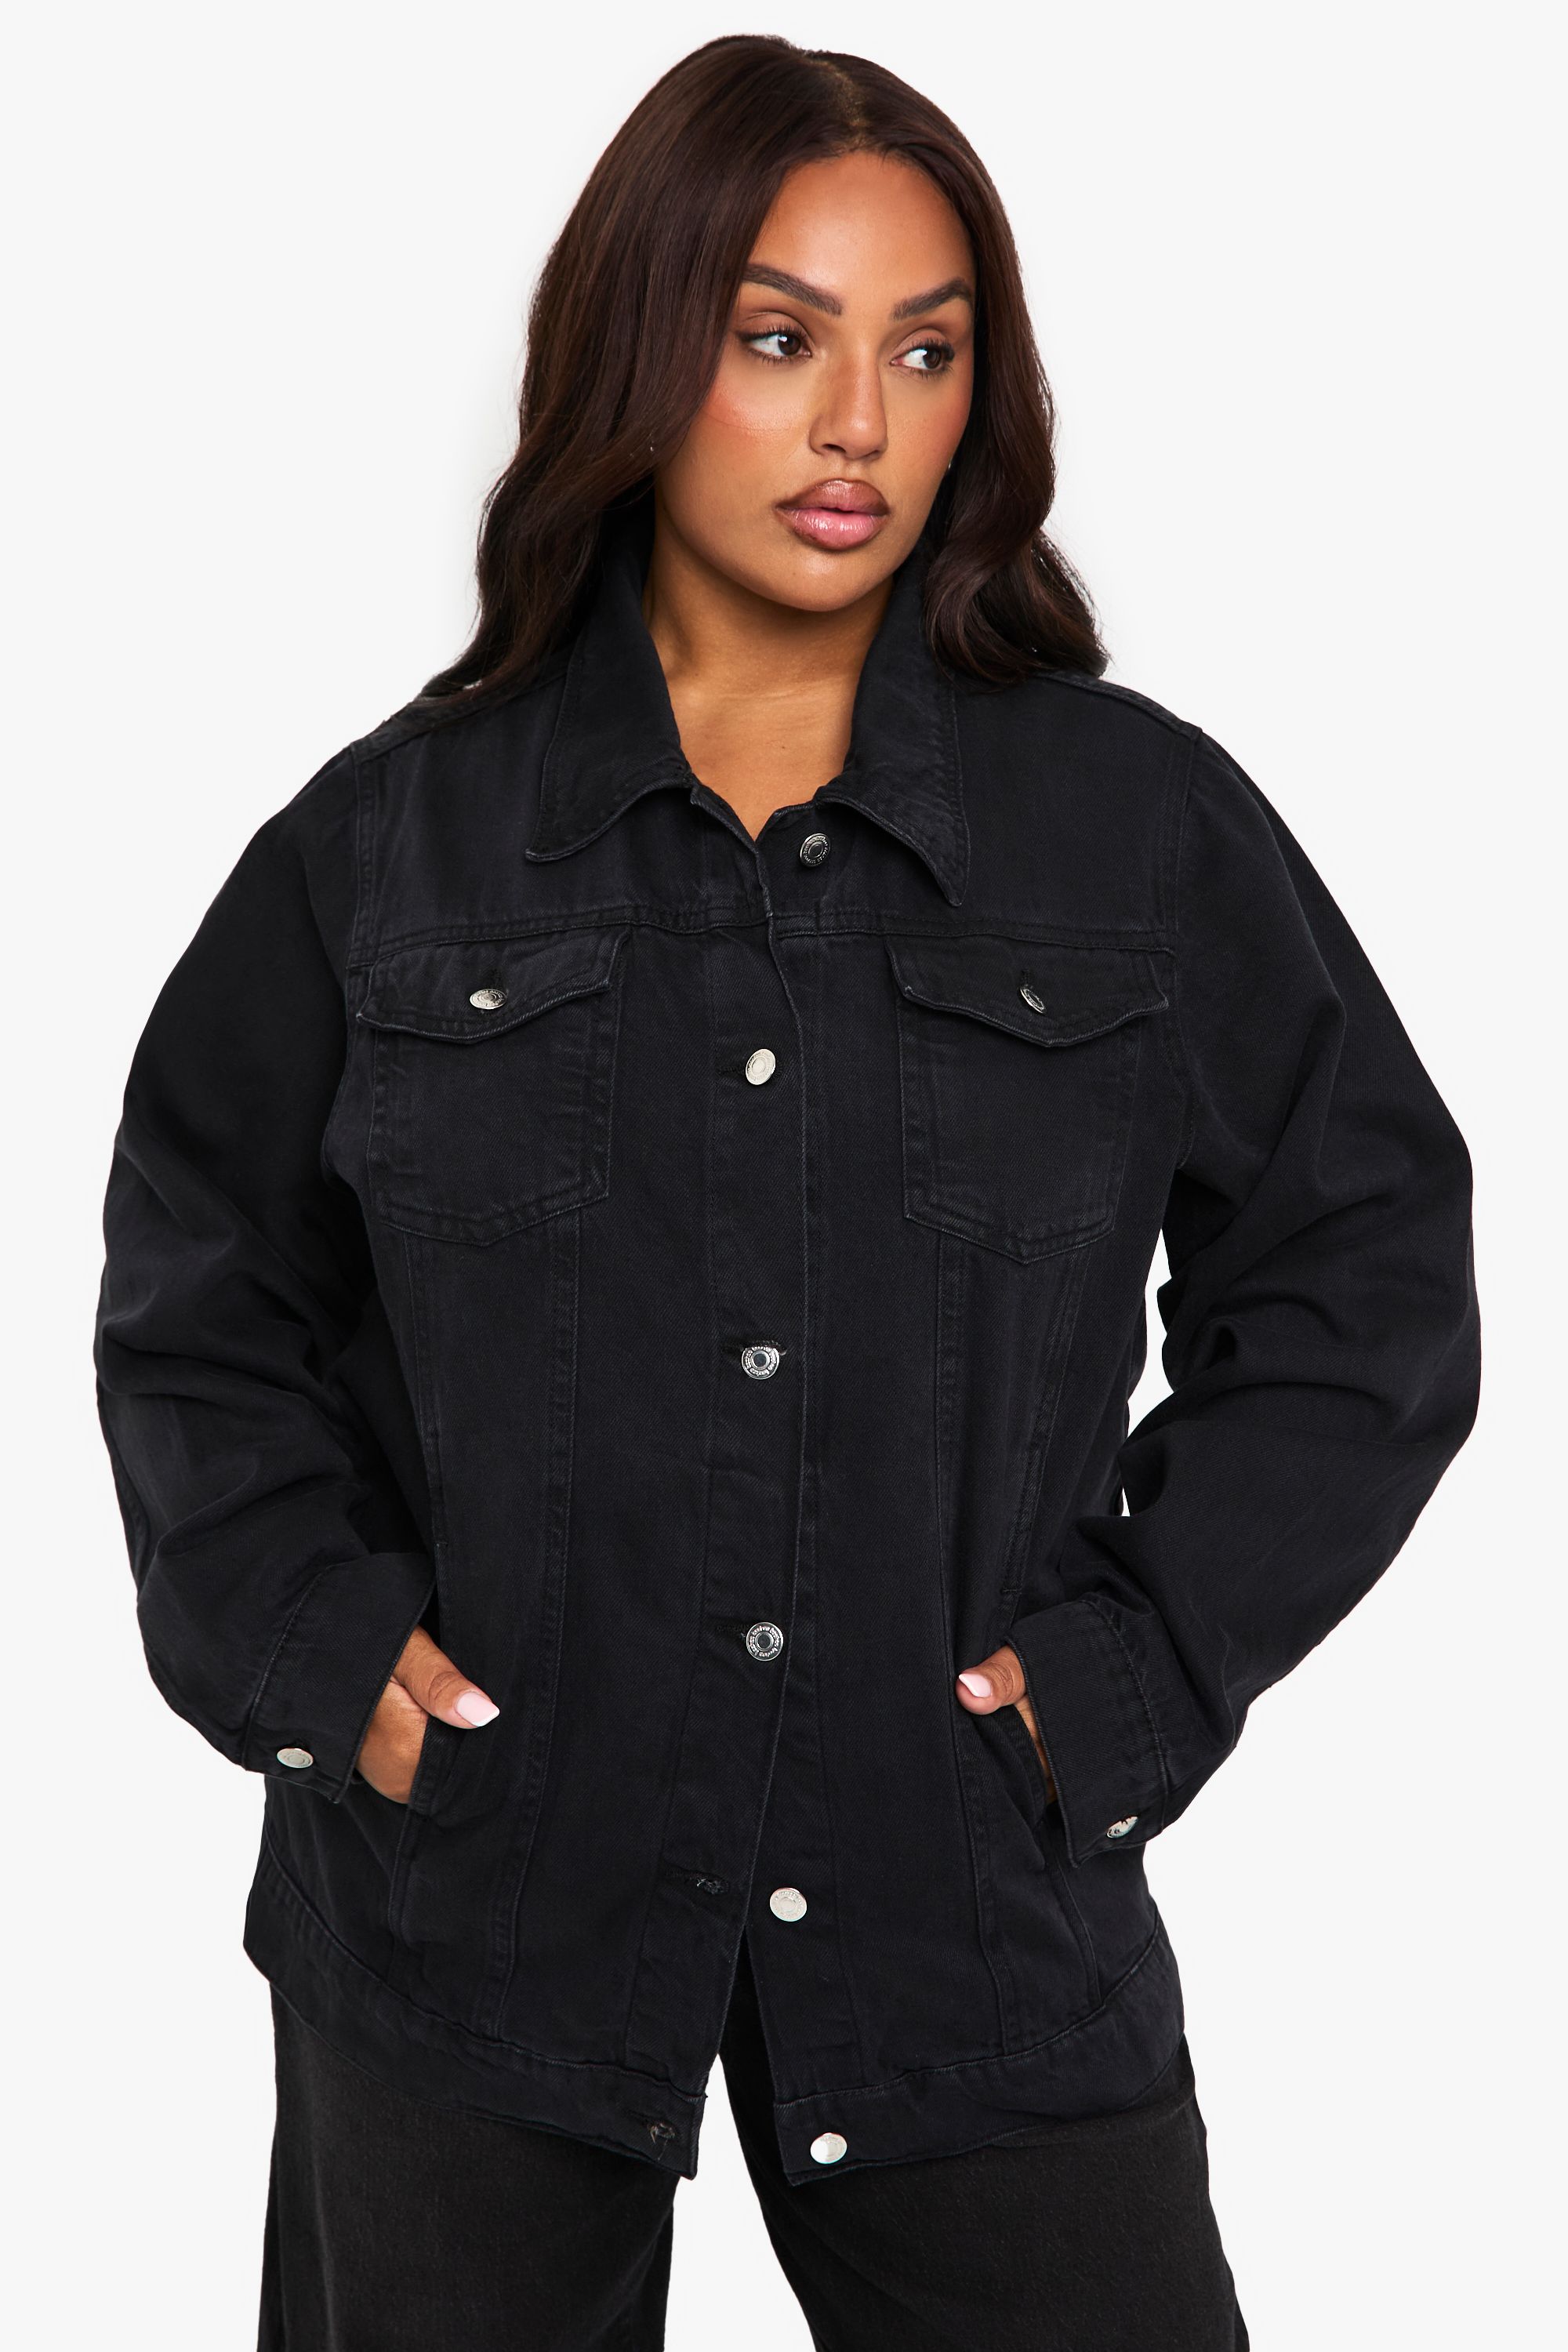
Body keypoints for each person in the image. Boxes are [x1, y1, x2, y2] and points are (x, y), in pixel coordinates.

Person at [93, 34, 1479, 2352]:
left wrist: (1132, 1673)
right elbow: (202, 1299)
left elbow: (1366, 1275)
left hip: (967, 1904)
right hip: (476, 1910)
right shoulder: (390, 846)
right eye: (778, 339)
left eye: (927, 352)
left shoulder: (1135, 832)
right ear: (641, 353)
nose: (860, 425)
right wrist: (324, 1661)